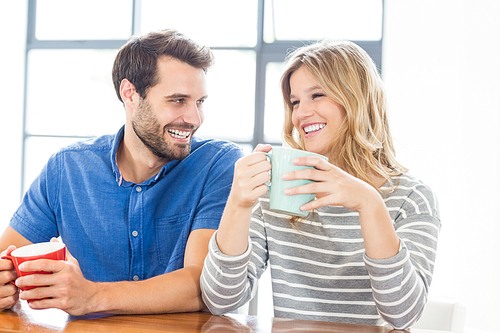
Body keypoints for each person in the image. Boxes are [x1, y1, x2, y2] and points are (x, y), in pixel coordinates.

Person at [0, 29, 244, 315]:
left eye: (199, 102)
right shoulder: (67, 169)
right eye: (178, 100)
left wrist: (92, 296)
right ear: (130, 93)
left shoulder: (218, 165)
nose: (194, 118)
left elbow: (201, 286)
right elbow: (9, 255)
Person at [200, 40, 440, 330]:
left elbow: (403, 314)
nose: (301, 114)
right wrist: (238, 205)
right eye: (295, 101)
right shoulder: (279, 189)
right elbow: (220, 300)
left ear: (357, 99)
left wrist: (369, 203)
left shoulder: (411, 198)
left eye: (317, 95)